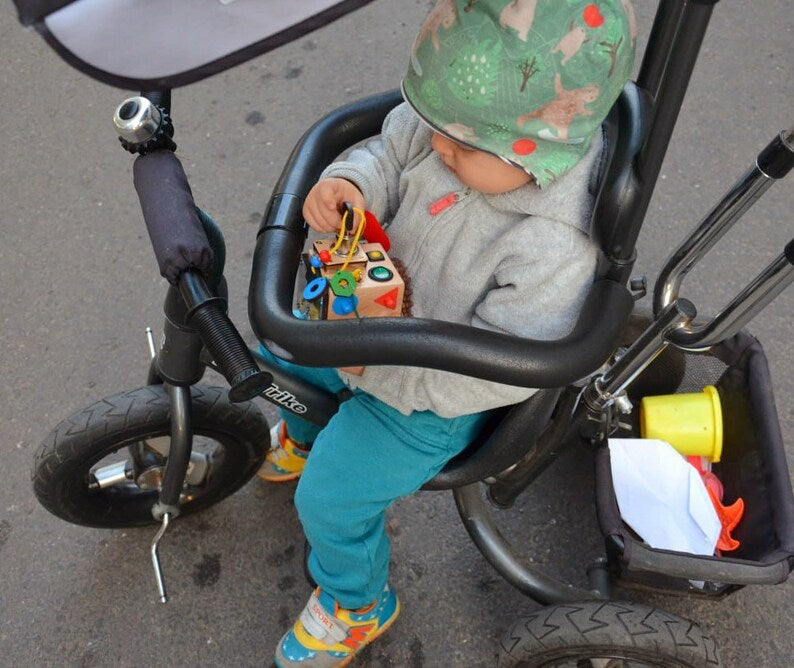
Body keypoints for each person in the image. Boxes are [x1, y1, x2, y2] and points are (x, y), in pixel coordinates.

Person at [261, 1, 635, 665]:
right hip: (359, 324)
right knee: (279, 352)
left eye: (461, 147)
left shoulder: (550, 245)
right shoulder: (455, 125)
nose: (438, 146)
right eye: (436, 127)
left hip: (429, 400)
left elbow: (495, 370)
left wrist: (380, 360)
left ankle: (356, 602)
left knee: (330, 499)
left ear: (542, 157)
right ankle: (308, 425)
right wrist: (351, 184)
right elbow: (388, 149)